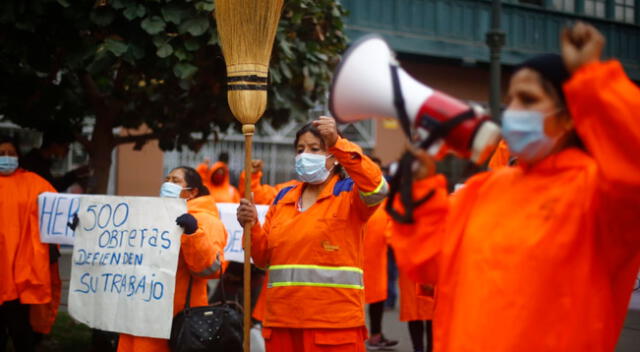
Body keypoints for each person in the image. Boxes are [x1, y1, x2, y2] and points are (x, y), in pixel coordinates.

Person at [389, 22, 640, 351]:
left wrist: (594, 82)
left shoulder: (599, 194)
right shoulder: (485, 188)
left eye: (528, 99)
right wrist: (419, 191)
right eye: (511, 100)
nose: (513, 111)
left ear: (570, 116)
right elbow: (430, 265)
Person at [237, 116, 388, 352]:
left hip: (333, 325)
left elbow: (378, 186)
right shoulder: (283, 197)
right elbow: (262, 257)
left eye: (315, 149)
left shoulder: (349, 195)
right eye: (300, 149)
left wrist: (339, 142)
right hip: (281, 323)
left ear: (334, 157)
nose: (305, 154)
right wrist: (252, 225)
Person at [117, 166, 227, 352]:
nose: (168, 184)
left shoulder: (207, 222)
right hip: (141, 311)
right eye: (166, 179)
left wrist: (193, 234)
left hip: (175, 318)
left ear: (192, 192)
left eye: (175, 181)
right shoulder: (157, 215)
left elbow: (211, 269)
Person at [0, 136, 60, 352]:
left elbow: (59, 212)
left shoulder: (35, 183)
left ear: (18, 156)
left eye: (11, 153)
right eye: (2, 154)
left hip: (22, 274)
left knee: (22, 333)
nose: (6, 158)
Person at [362, 157, 398, 351]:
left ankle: (375, 335)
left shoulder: (386, 199)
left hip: (378, 259)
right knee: (353, 300)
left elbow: (393, 225)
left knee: (377, 298)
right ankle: (354, 337)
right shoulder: (354, 193)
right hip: (354, 260)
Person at [20, 130, 90, 192]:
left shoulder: (41, 161)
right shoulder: (34, 163)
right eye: (65, 146)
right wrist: (74, 174)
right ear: (54, 145)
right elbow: (51, 187)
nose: (67, 150)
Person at [398, 273, 434, 352]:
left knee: (432, 314)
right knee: (413, 312)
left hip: (430, 270)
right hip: (411, 273)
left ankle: (431, 348)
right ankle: (418, 349)